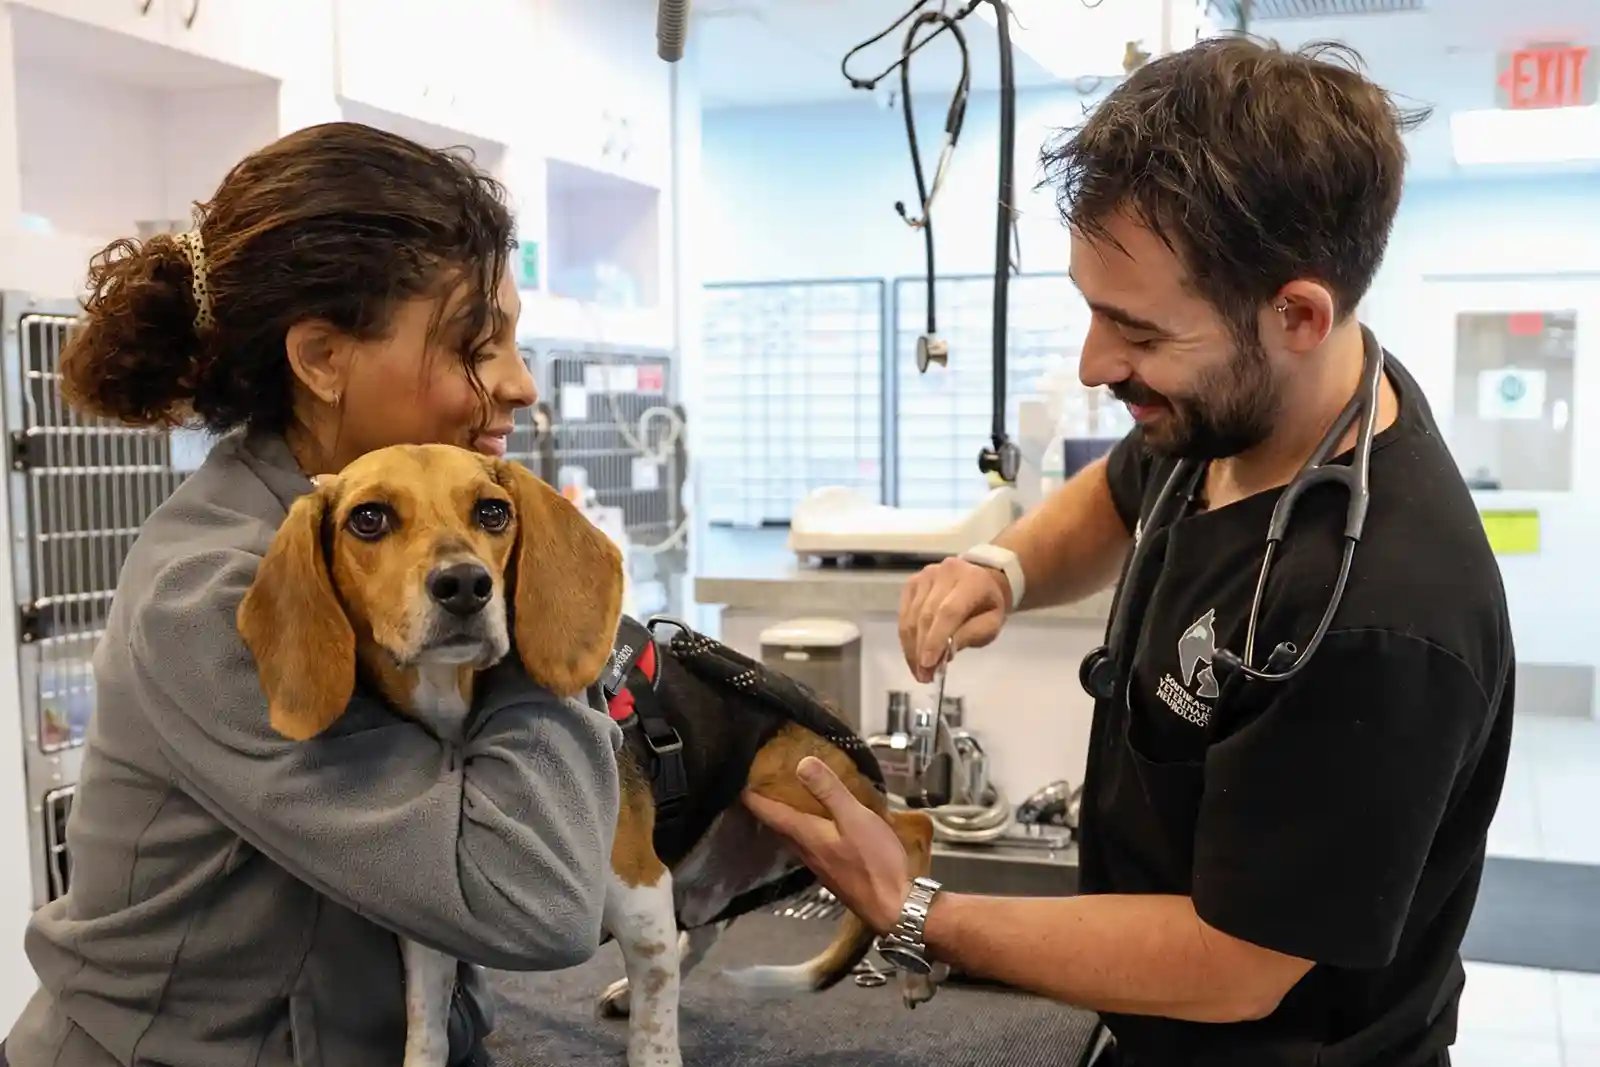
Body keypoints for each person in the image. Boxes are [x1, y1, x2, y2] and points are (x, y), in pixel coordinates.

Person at [744, 37, 1513, 1067]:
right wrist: (1002, 567)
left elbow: (1232, 961)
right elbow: (1119, 491)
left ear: (1297, 314)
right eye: (1091, 309)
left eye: (1136, 331)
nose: (1097, 362)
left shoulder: (1383, 613)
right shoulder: (1244, 409)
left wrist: (914, 905)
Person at [3, 123, 623, 1067]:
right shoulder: (213, 592)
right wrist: (534, 609)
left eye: (514, 339)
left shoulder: (406, 532)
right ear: (323, 359)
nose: (520, 383)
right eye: (474, 344)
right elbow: (530, 896)